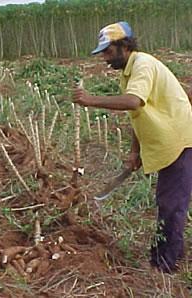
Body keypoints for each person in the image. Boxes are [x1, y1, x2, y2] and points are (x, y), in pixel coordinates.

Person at [73, 21, 192, 273]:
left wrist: (90, 100)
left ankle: (165, 266)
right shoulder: (129, 71)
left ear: (124, 46)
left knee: (171, 204)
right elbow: (140, 114)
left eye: (107, 51)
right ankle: (170, 253)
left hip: (180, 139)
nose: (104, 58)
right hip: (166, 139)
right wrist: (135, 152)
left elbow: (134, 102)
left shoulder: (143, 65)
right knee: (169, 201)